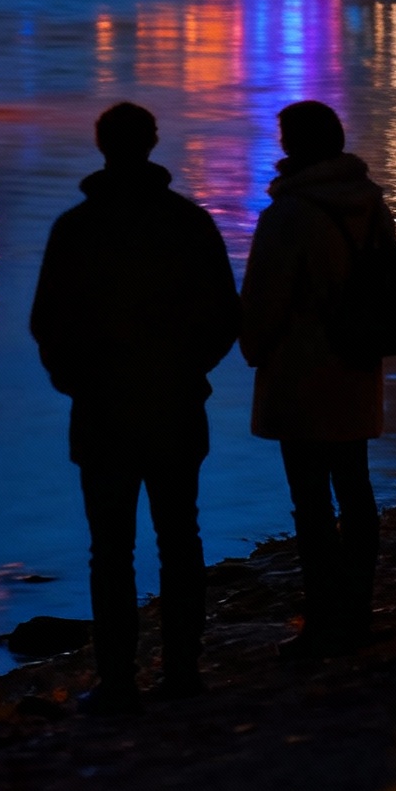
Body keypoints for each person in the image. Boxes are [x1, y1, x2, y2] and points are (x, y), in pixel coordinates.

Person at [31, 101, 241, 715]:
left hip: (102, 411)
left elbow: (48, 323)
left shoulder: (77, 228)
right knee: (181, 537)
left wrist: (76, 381)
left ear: (102, 146)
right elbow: (225, 315)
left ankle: (118, 678)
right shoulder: (189, 223)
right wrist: (189, 368)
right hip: (176, 404)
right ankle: (182, 669)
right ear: (153, 142)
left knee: (110, 548)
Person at [241, 100, 396, 660]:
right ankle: (358, 606)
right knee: (356, 489)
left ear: (292, 145)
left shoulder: (288, 215)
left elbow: (264, 299)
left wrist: (253, 349)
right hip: (356, 363)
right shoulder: (370, 201)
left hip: (302, 373)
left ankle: (323, 616)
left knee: (310, 501)